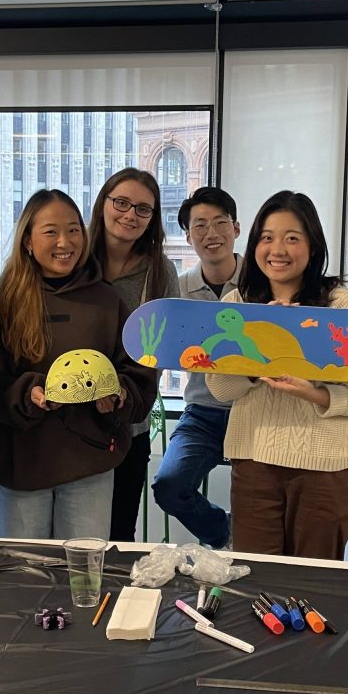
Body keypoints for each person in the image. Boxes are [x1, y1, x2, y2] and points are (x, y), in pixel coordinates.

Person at [206, 191, 348, 559]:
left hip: (328, 466)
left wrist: (314, 394)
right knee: (260, 584)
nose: (277, 249)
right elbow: (220, 387)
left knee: (314, 586)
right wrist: (262, 349)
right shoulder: (236, 305)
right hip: (256, 461)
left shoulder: (342, 306)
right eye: (267, 237)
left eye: (292, 238)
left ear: (312, 246)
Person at [0, 189, 156, 538]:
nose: (65, 241)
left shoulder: (107, 301)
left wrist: (118, 393)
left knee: (83, 577)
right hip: (22, 464)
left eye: (74, 230)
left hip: (91, 464)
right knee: (25, 572)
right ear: (27, 240)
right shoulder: (4, 300)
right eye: (51, 231)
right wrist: (29, 393)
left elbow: (138, 371)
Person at [87, 168, 179, 541]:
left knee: (119, 533)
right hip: (70, 423)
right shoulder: (75, 259)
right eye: (121, 203)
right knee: (76, 535)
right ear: (103, 204)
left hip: (130, 423)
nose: (130, 215)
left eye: (143, 209)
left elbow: (170, 347)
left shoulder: (160, 272)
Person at [151, 187, 241, 548]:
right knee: (169, 486)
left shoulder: (261, 280)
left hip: (253, 410)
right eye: (200, 225)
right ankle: (225, 531)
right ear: (188, 236)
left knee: (260, 498)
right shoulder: (179, 288)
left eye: (221, 222)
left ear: (236, 228)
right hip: (202, 412)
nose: (212, 233)